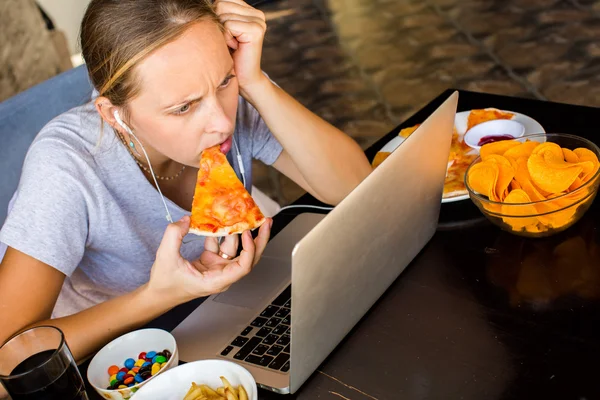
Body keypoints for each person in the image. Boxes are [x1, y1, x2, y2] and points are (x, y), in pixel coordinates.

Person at [0, 0, 371, 366]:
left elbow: (355, 188)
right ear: (114, 115)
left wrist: (253, 82)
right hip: (122, 356)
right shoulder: (66, 166)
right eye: (183, 108)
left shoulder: (225, 84)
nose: (222, 123)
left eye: (225, 80)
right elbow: (6, 358)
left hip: (229, 311)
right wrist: (158, 296)